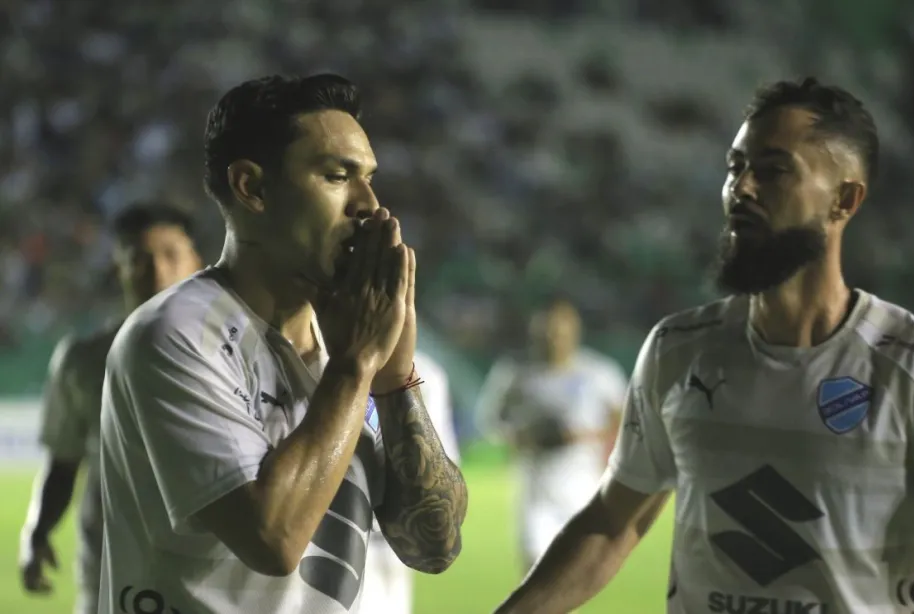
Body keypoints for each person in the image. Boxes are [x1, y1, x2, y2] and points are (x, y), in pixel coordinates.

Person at [494, 77, 914, 614]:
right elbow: (615, 524)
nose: (742, 188)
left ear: (844, 200)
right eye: (735, 167)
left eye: (774, 171)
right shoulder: (678, 350)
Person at [97, 74, 467, 614]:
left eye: (369, 179)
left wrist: (393, 381)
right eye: (337, 175)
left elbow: (433, 546)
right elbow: (273, 539)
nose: (368, 204)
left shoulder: (354, 335)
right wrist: (356, 366)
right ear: (253, 188)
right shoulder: (175, 335)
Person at [19, 203, 203, 614]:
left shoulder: (233, 357)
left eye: (171, 255)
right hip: (110, 580)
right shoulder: (82, 361)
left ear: (198, 263)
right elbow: (63, 463)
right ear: (118, 267)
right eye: (139, 258)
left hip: (206, 584)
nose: (157, 272)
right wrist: (37, 531)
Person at [478, 298, 627, 572]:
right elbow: (491, 421)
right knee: (535, 574)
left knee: (570, 579)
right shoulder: (515, 372)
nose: (553, 338)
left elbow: (625, 422)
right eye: (546, 331)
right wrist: (520, 436)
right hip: (535, 491)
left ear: (574, 331)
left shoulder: (599, 373)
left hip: (582, 490)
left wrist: (585, 436)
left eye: (559, 331)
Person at [360, 350, 461, 614]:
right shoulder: (318, 358)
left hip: (397, 548)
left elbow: (443, 480)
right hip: (337, 537)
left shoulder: (425, 373)